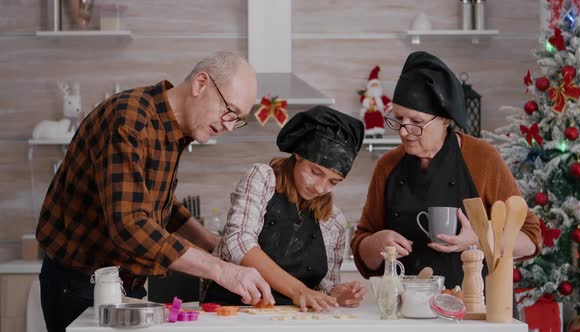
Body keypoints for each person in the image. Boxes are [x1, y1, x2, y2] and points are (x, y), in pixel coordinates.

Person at [35, 51, 274, 332]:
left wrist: (210, 242)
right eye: (230, 111)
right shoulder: (129, 121)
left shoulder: (172, 131)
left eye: (238, 119)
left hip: (126, 285)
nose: (230, 126)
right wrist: (222, 270)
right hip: (80, 286)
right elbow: (130, 224)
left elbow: (160, 204)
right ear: (200, 84)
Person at [351, 51, 542, 291]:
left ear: (444, 120)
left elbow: (531, 240)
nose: (403, 131)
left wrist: (480, 239)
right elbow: (363, 250)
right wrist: (375, 243)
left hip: (476, 310)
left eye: (417, 122)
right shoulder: (387, 166)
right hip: (408, 310)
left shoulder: (483, 159)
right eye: (398, 118)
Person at [202, 106, 368, 312]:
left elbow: (323, 286)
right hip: (232, 311)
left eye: (333, 182)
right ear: (298, 154)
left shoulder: (333, 221)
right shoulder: (263, 178)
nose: (320, 187)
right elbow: (237, 242)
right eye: (316, 172)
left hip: (289, 318)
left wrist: (335, 294)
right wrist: (298, 290)